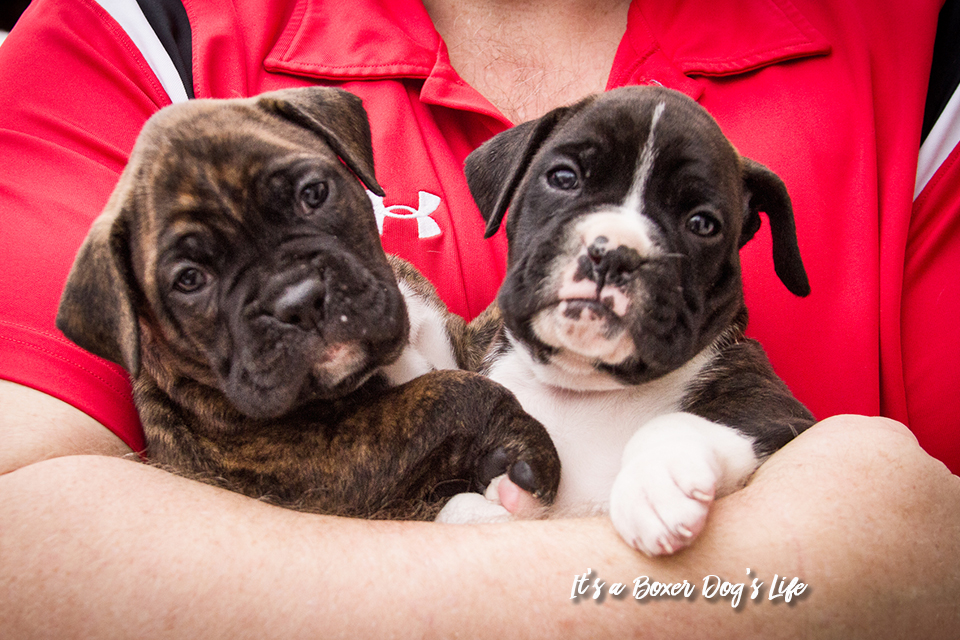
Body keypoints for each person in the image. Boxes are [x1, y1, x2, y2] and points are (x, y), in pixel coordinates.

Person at [1, 0, 958, 636]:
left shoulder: (922, 54)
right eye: (194, 277)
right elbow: (23, 550)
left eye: (311, 200)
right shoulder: (139, 29)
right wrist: (819, 573)